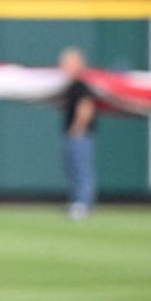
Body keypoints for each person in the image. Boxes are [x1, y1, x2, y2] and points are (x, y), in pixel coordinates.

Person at [59, 47, 97, 221]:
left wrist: (77, 127)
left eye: (67, 63)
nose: (63, 66)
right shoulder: (69, 86)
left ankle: (83, 203)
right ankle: (76, 201)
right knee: (73, 170)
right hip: (72, 134)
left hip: (79, 134)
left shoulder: (81, 85)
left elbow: (86, 107)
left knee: (82, 169)